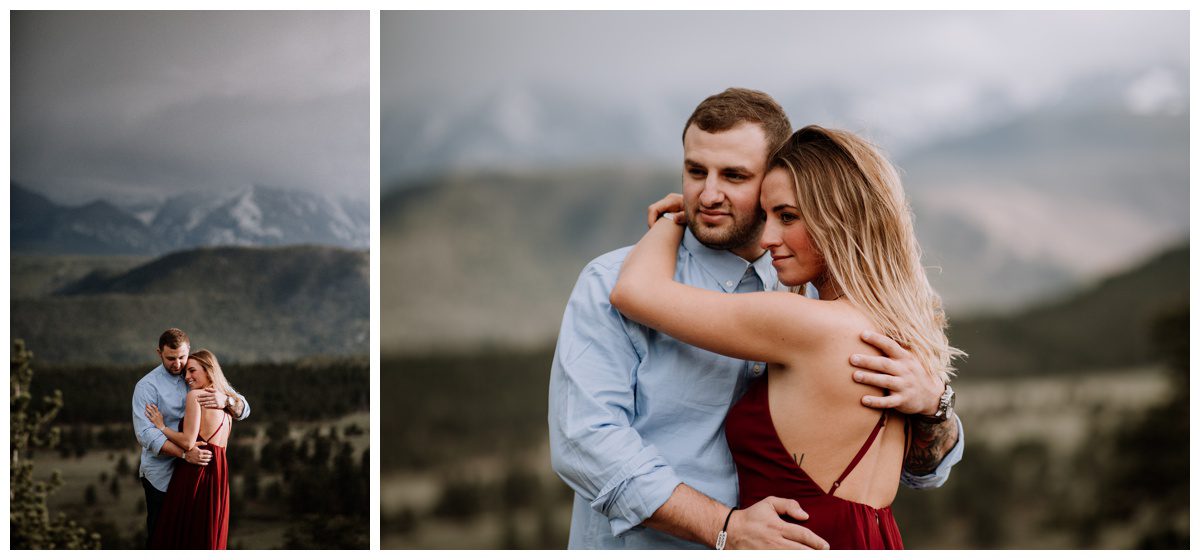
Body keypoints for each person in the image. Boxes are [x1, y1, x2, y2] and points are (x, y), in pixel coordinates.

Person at [548, 88, 963, 550]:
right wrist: (723, 527)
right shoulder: (607, 279)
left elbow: (924, 472)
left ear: (774, 180)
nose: (708, 194)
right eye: (695, 171)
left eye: (734, 175)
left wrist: (935, 405)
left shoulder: (805, 295)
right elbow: (586, 444)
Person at [132, 328, 249, 547]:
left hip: (195, 472)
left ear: (189, 351)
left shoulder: (198, 375)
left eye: (182, 358)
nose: (178, 365)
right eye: (171, 358)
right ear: (159, 353)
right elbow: (146, 435)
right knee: (163, 538)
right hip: (162, 475)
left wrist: (228, 401)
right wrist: (185, 454)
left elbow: (244, 408)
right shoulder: (147, 386)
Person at [145, 349, 236, 549]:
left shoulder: (195, 396)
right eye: (186, 372)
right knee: (205, 533)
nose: (187, 377)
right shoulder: (227, 404)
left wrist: (162, 426)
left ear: (209, 371)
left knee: (176, 536)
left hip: (194, 472)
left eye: (192, 370)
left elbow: (188, 442)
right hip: (218, 474)